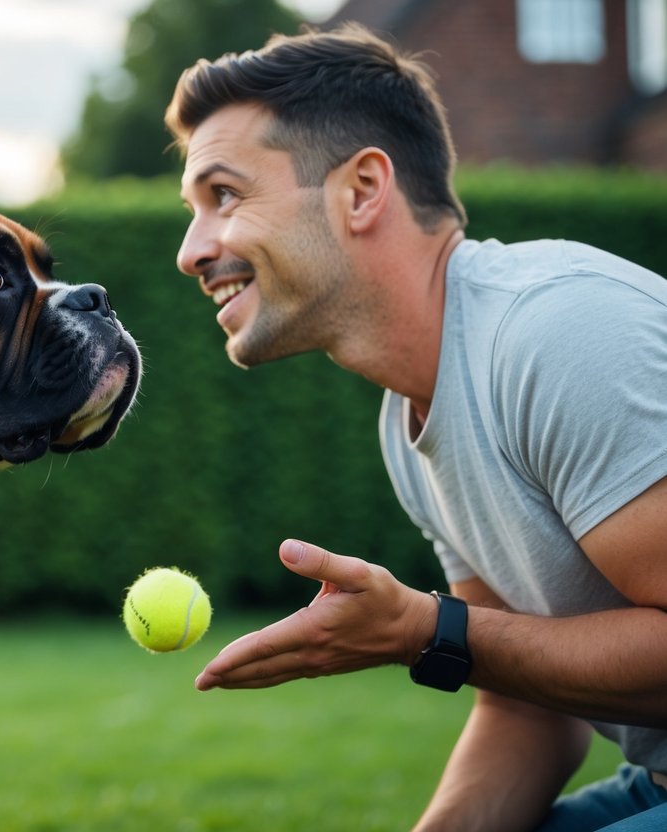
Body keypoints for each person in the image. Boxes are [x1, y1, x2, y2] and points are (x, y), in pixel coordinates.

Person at [165, 23, 667, 832]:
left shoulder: (555, 332)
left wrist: (424, 631)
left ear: (362, 189)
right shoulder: (410, 417)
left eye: (222, 195)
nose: (191, 250)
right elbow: (528, 709)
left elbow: (468, 640)